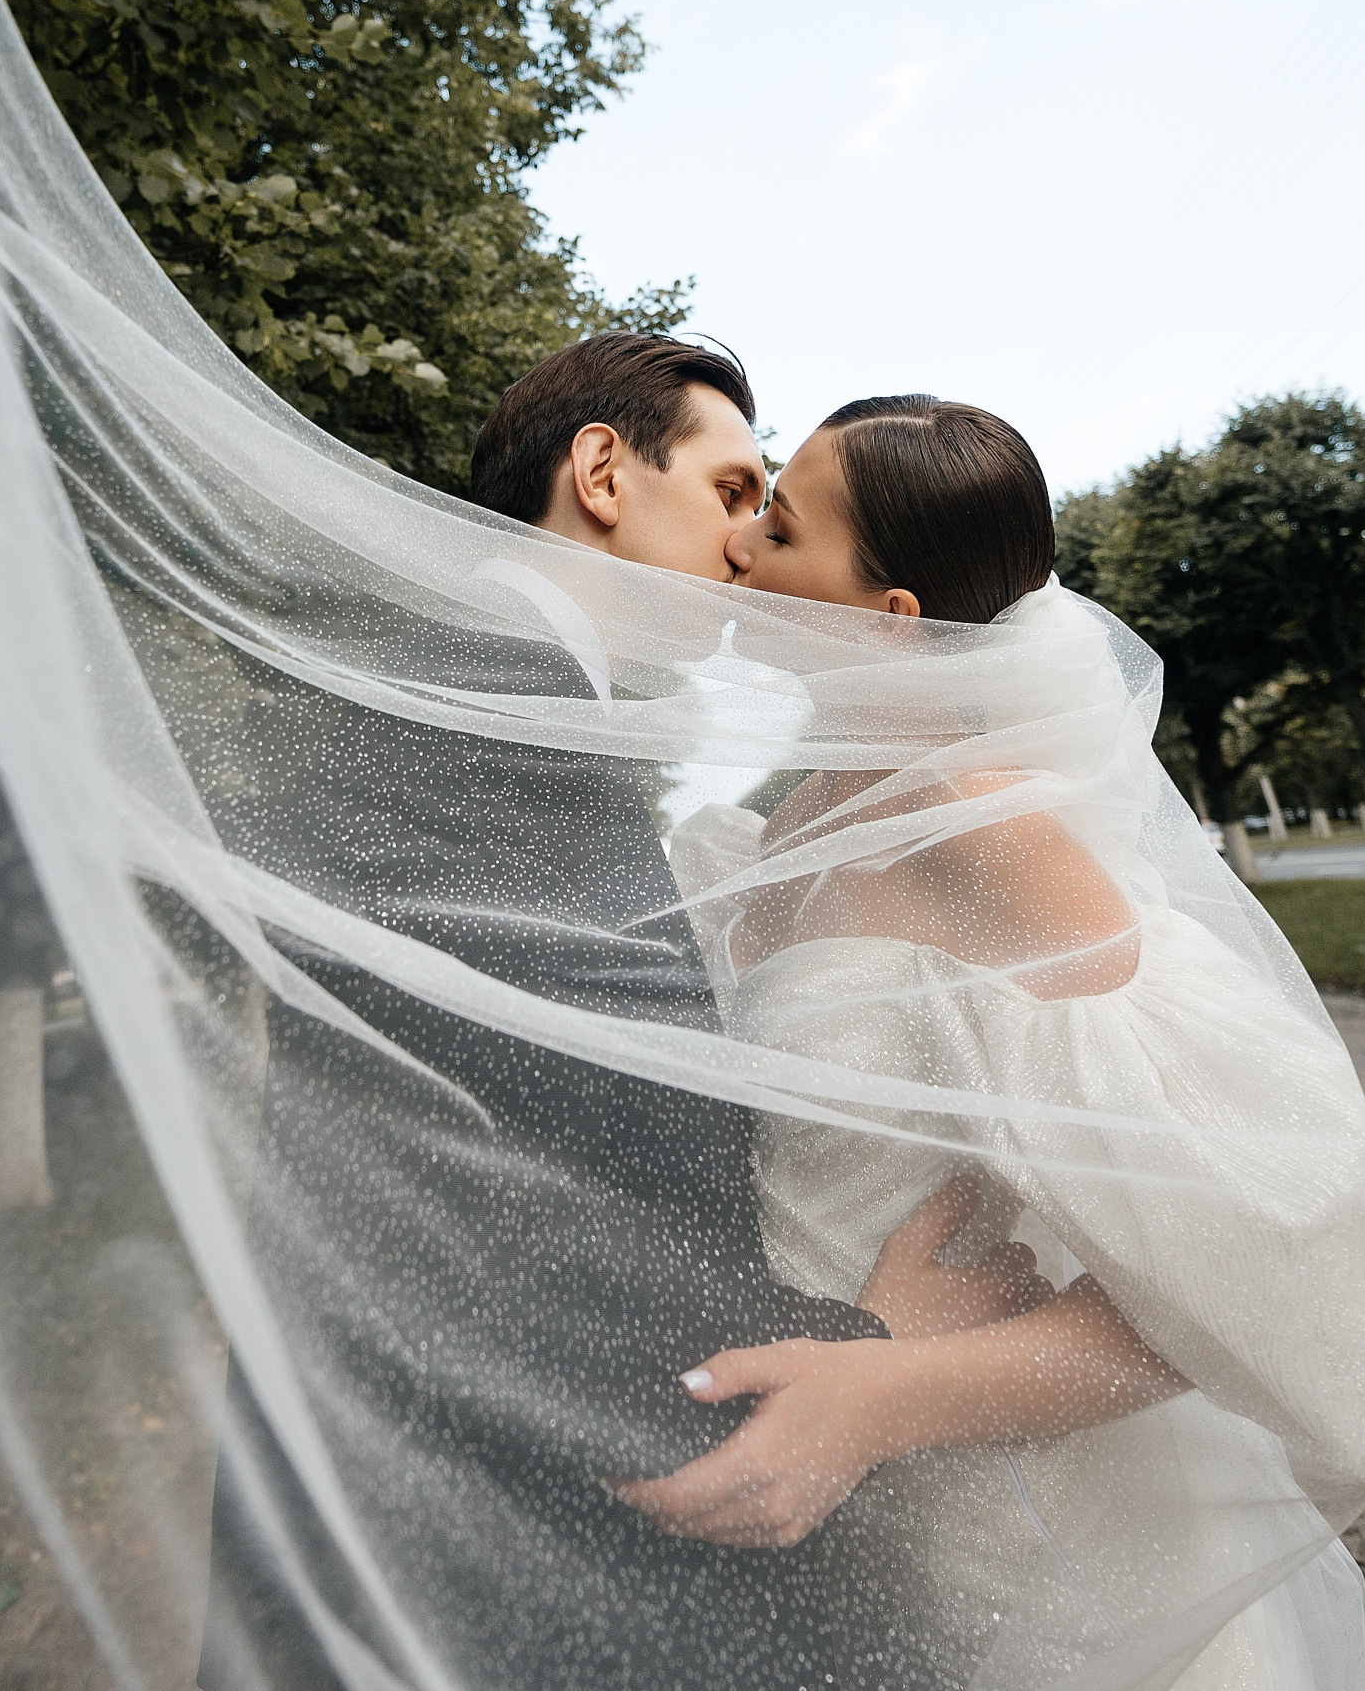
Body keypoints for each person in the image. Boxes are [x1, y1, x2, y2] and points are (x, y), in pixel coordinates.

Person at [196, 347, 1041, 1691]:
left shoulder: (508, 701)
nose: (750, 542)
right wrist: (869, 1356)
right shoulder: (465, 712)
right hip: (472, 1547)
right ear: (601, 473)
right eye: (731, 486)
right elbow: (468, 1204)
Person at [613, 397, 1365, 1689]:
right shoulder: (788, 823)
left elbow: (1241, 1268)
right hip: (824, 1486)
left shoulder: (980, 828)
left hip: (1014, 1527)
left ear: (890, 616)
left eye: (784, 521)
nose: (741, 541)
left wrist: (882, 1399)